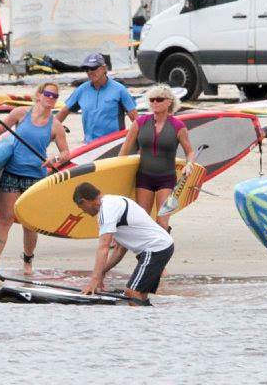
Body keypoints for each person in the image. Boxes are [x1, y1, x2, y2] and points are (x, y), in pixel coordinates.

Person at [0, 82, 71, 274]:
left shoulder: (56, 126)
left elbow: (66, 153)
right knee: (5, 219)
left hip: (35, 178)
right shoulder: (19, 114)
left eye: (54, 96)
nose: (50, 98)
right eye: (47, 94)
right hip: (11, 173)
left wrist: (54, 159)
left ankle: (28, 261)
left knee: (29, 223)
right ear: (38, 95)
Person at [73, 181, 173, 303]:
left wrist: (94, 280)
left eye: (81, 208)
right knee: (139, 296)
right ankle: (147, 319)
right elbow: (120, 249)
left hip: (156, 248)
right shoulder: (112, 203)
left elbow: (103, 248)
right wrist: (102, 272)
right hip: (159, 248)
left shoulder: (107, 210)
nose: (84, 212)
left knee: (132, 293)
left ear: (84, 201)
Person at [117, 84, 196, 230]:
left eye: (159, 99)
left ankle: (162, 250)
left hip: (166, 178)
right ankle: (146, 251)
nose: (154, 103)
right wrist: (117, 173)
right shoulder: (139, 123)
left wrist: (189, 164)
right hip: (144, 178)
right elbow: (124, 150)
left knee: (162, 222)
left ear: (169, 102)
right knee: (142, 221)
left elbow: (189, 152)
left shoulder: (178, 126)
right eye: (152, 99)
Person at [56, 53, 137, 142]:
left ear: (104, 68)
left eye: (94, 68)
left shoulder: (119, 90)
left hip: (114, 144)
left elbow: (136, 120)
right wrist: (48, 131)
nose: (90, 72)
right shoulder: (82, 90)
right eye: (87, 69)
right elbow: (63, 112)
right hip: (90, 146)